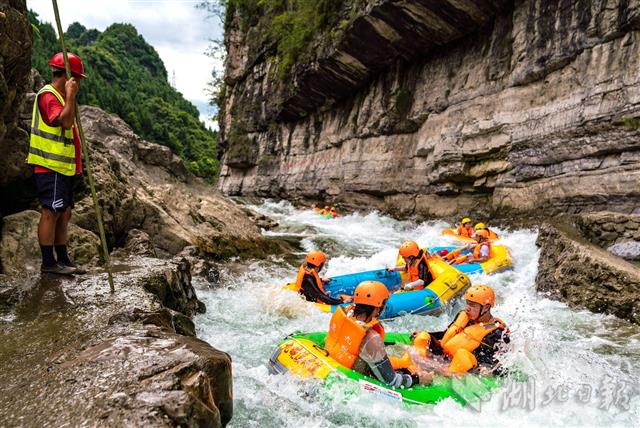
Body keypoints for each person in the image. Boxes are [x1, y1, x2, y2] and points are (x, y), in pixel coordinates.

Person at [27, 52, 87, 275]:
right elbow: (64, 122)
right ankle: (48, 263)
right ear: (68, 76)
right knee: (51, 211)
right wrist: (71, 97)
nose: (78, 83)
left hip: (64, 167)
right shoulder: (49, 95)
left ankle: (63, 259)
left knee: (64, 213)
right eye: (77, 78)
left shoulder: (61, 97)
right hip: (50, 165)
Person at [325, 281, 432, 387]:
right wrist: (418, 379)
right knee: (418, 366)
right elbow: (391, 381)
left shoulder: (346, 314)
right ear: (378, 308)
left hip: (337, 365)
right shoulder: (371, 338)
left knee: (404, 357)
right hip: (356, 378)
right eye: (384, 303)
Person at [412, 284, 510, 375]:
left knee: (462, 355)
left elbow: (502, 362)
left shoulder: (497, 333)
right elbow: (446, 334)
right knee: (423, 337)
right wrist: (428, 334)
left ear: (486, 308)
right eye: (467, 303)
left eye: (472, 305)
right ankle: (417, 364)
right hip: (445, 356)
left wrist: (487, 369)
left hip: (463, 366)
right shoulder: (464, 316)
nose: (467, 308)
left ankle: (441, 374)